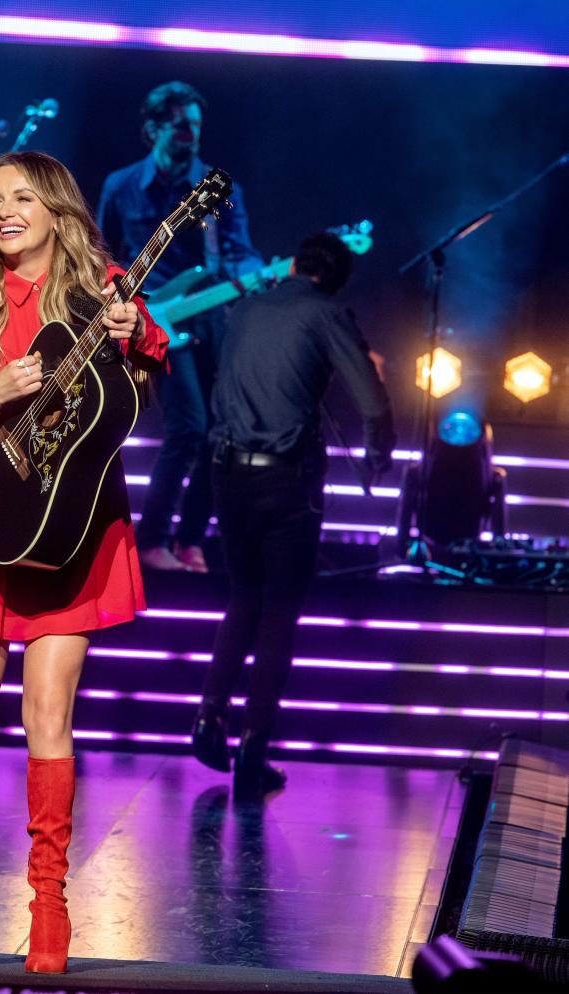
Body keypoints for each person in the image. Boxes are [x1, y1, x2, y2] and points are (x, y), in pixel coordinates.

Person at [0, 151, 168, 973]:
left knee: (49, 718)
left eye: (23, 197)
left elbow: (153, 351)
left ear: (58, 208)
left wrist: (137, 331)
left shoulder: (104, 289)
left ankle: (49, 903)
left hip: (76, 528)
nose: (5, 212)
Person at [192, 231, 395, 799]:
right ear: (335, 279)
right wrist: (379, 454)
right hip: (287, 478)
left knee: (243, 596)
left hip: (226, 470)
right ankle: (253, 754)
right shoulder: (328, 312)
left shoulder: (248, 308)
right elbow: (372, 398)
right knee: (279, 612)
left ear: (297, 265)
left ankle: (209, 718)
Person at [98, 81, 263, 572]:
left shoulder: (217, 187)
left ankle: (190, 541)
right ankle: (151, 540)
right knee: (189, 426)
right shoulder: (121, 186)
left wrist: (252, 274)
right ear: (152, 129)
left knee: (222, 433)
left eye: (196, 124)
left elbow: (240, 250)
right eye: (180, 124)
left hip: (212, 320)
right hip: (152, 321)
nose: (191, 133)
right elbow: (100, 255)